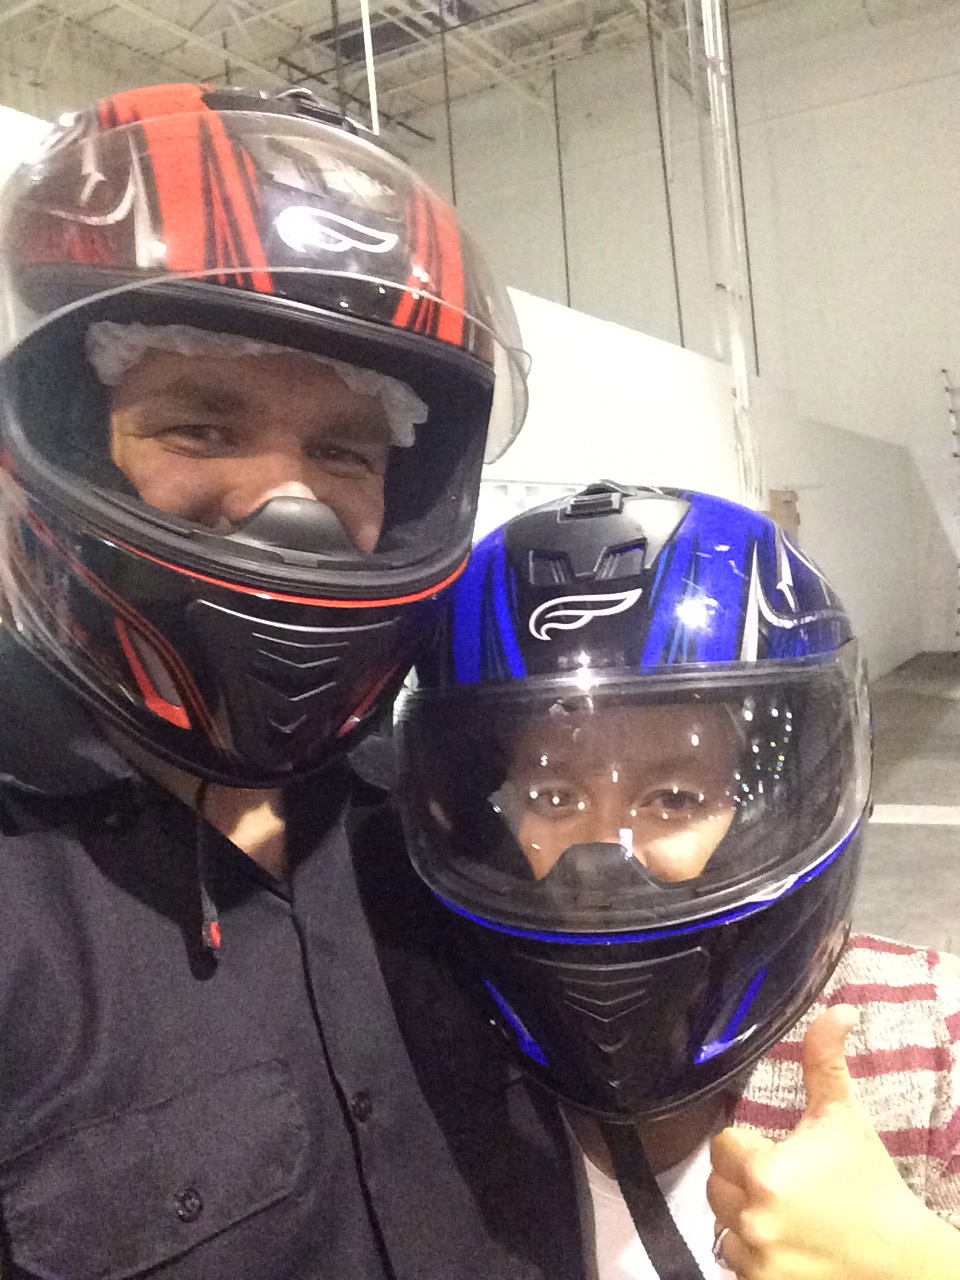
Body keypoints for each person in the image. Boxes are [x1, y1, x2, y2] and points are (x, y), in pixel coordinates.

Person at [0, 82, 590, 1278]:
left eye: (342, 450)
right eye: (202, 428)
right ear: (65, 440)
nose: (289, 507)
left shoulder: (444, 813)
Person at [396, 481, 960, 1279]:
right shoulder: (433, 1074)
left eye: (673, 799)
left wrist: (917, 1266)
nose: (603, 856)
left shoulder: (930, 1038)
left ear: (768, 811)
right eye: (553, 796)